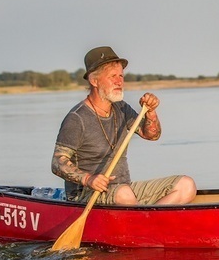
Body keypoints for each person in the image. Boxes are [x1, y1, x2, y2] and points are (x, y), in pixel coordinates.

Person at [51, 46, 197, 205]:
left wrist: (150, 113)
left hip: (124, 189)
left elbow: (151, 135)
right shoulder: (77, 118)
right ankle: (145, 222)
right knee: (124, 194)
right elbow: (57, 162)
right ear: (94, 81)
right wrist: (88, 179)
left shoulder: (121, 107)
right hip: (86, 195)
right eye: (112, 76)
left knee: (186, 185)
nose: (119, 81)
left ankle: (146, 223)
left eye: (121, 75)